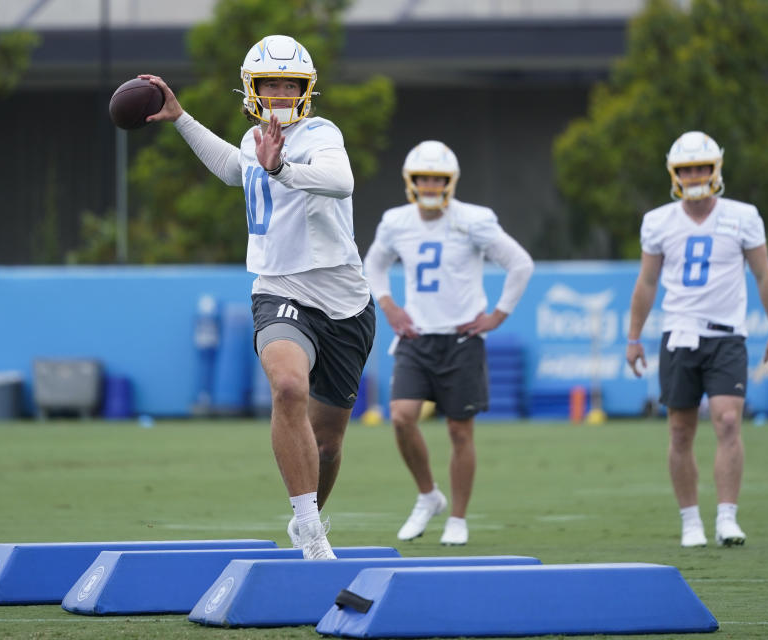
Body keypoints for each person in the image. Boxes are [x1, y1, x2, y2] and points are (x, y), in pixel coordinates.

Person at [141, 34, 375, 560]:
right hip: (279, 288)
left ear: (305, 89)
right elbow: (233, 168)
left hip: (344, 301)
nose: (279, 92)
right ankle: (312, 530)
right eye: (270, 83)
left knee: (330, 443)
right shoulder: (253, 140)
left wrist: (281, 169)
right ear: (252, 87)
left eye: (289, 83)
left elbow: (341, 180)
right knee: (289, 387)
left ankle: (307, 520)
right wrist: (181, 118)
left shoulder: (320, 132)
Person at [364, 140, 534, 545]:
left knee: (460, 431)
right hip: (416, 336)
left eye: (438, 178)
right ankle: (428, 495)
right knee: (403, 416)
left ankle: (458, 518)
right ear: (411, 180)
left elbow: (519, 263)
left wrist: (497, 315)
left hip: (461, 339)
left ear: (451, 181)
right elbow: (373, 263)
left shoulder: (473, 220)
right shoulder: (396, 222)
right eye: (423, 177)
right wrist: (388, 305)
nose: (430, 184)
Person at [626, 131, 768, 548]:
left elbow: (763, 276)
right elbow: (646, 282)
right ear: (674, 173)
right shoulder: (659, 221)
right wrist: (633, 337)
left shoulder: (743, 216)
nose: (694, 175)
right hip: (679, 333)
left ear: (716, 169)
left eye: (701, 167)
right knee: (680, 431)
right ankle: (690, 521)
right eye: (686, 169)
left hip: (727, 335)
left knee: (729, 420)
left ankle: (727, 517)